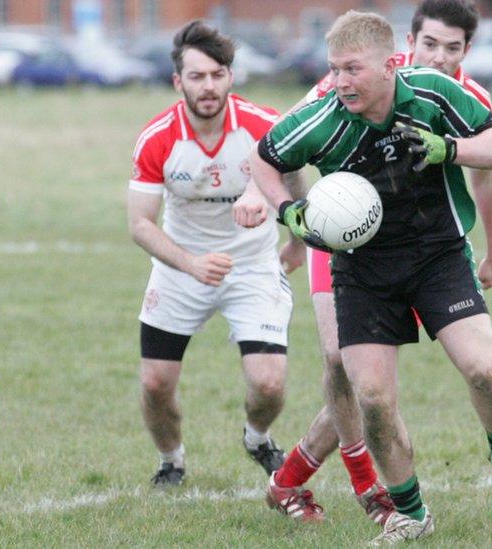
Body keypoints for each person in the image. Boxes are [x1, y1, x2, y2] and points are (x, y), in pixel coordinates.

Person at [234, 10, 492, 543]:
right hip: (361, 268)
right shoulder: (325, 114)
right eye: (334, 70)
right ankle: (411, 513)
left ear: (388, 65)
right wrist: (289, 212)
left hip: (438, 255)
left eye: (352, 69)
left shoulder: (436, 94)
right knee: (372, 397)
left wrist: (450, 149)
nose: (340, 81)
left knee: (483, 371)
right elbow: (263, 158)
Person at [127, 20, 293, 486]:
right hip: (181, 266)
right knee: (155, 383)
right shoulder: (158, 137)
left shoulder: (263, 126)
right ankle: (171, 460)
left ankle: (258, 438)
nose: (208, 86)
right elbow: (139, 223)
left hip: (254, 266)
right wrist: (190, 263)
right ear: (178, 81)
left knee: (269, 383)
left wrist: (279, 214)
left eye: (217, 74)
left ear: (231, 77)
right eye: (197, 76)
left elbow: (294, 177)